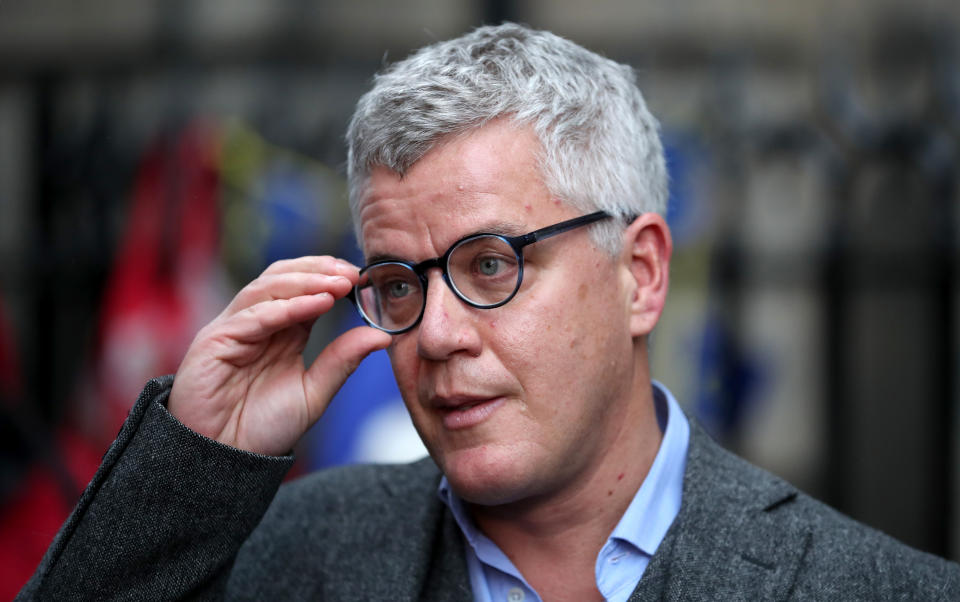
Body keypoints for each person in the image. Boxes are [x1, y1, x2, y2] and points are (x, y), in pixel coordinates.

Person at [19, 23, 960, 601]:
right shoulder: (295, 553)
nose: (434, 333)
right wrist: (197, 463)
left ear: (639, 274)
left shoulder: (868, 586)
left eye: (492, 263)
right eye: (397, 282)